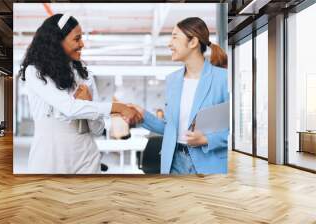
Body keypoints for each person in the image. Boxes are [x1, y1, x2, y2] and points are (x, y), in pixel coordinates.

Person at [19, 14, 142, 174]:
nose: (82, 44)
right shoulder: (35, 72)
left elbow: (97, 130)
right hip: (50, 159)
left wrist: (89, 103)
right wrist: (117, 107)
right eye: (77, 39)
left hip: (87, 159)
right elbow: (69, 108)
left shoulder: (85, 76)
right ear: (57, 42)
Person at [130, 17, 229, 175]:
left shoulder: (223, 79)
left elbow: (238, 132)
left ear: (193, 42)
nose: (169, 44)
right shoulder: (173, 80)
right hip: (174, 162)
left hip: (209, 165)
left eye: (175, 37)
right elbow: (171, 128)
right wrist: (143, 116)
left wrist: (207, 140)